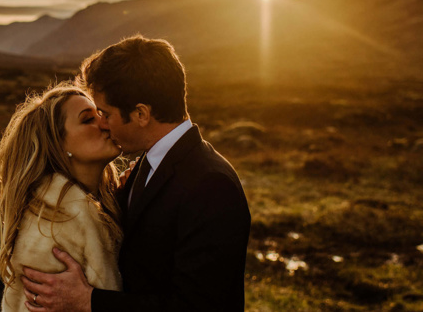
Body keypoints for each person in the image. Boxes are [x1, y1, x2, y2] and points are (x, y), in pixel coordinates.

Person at [21, 36, 251, 312]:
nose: (103, 125)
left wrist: (90, 301)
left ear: (141, 114)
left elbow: (199, 305)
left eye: (105, 113)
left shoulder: (210, 184)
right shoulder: (147, 166)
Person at [0, 83, 124, 312]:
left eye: (101, 115)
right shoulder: (55, 222)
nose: (104, 124)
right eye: (87, 119)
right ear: (59, 145)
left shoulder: (91, 204)